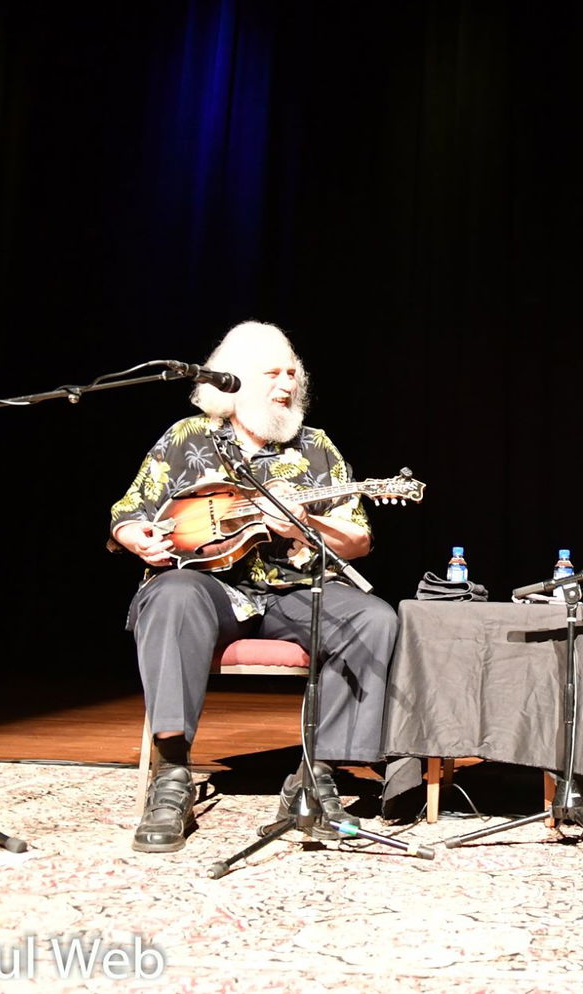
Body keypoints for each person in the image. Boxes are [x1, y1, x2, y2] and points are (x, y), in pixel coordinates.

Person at [109, 320, 398, 853]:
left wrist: (307, 525)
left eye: (292, 373)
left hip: (295, 592)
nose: (287, 383)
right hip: (207, 589)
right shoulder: (187, 438)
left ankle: (315, 774)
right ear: (234, 378)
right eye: (272, 373)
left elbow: (358, 539)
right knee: (170, 594)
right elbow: (129, 513)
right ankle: (172, 775)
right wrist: (136, 538)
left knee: (374, 618)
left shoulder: (316, 448)